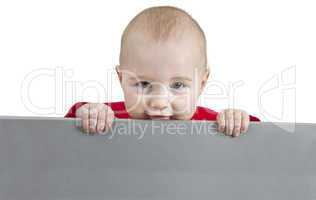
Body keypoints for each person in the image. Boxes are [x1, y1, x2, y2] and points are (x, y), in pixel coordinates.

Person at [65, 6, 260, 137]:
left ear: (202, 84)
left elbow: (260, 138)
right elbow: (59, 134)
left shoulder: (213, 125)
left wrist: (237, 121)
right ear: (121, 78)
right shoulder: (110, 120)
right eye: (143, 84)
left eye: (177, 85)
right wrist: (90, 114)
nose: (158, 102)